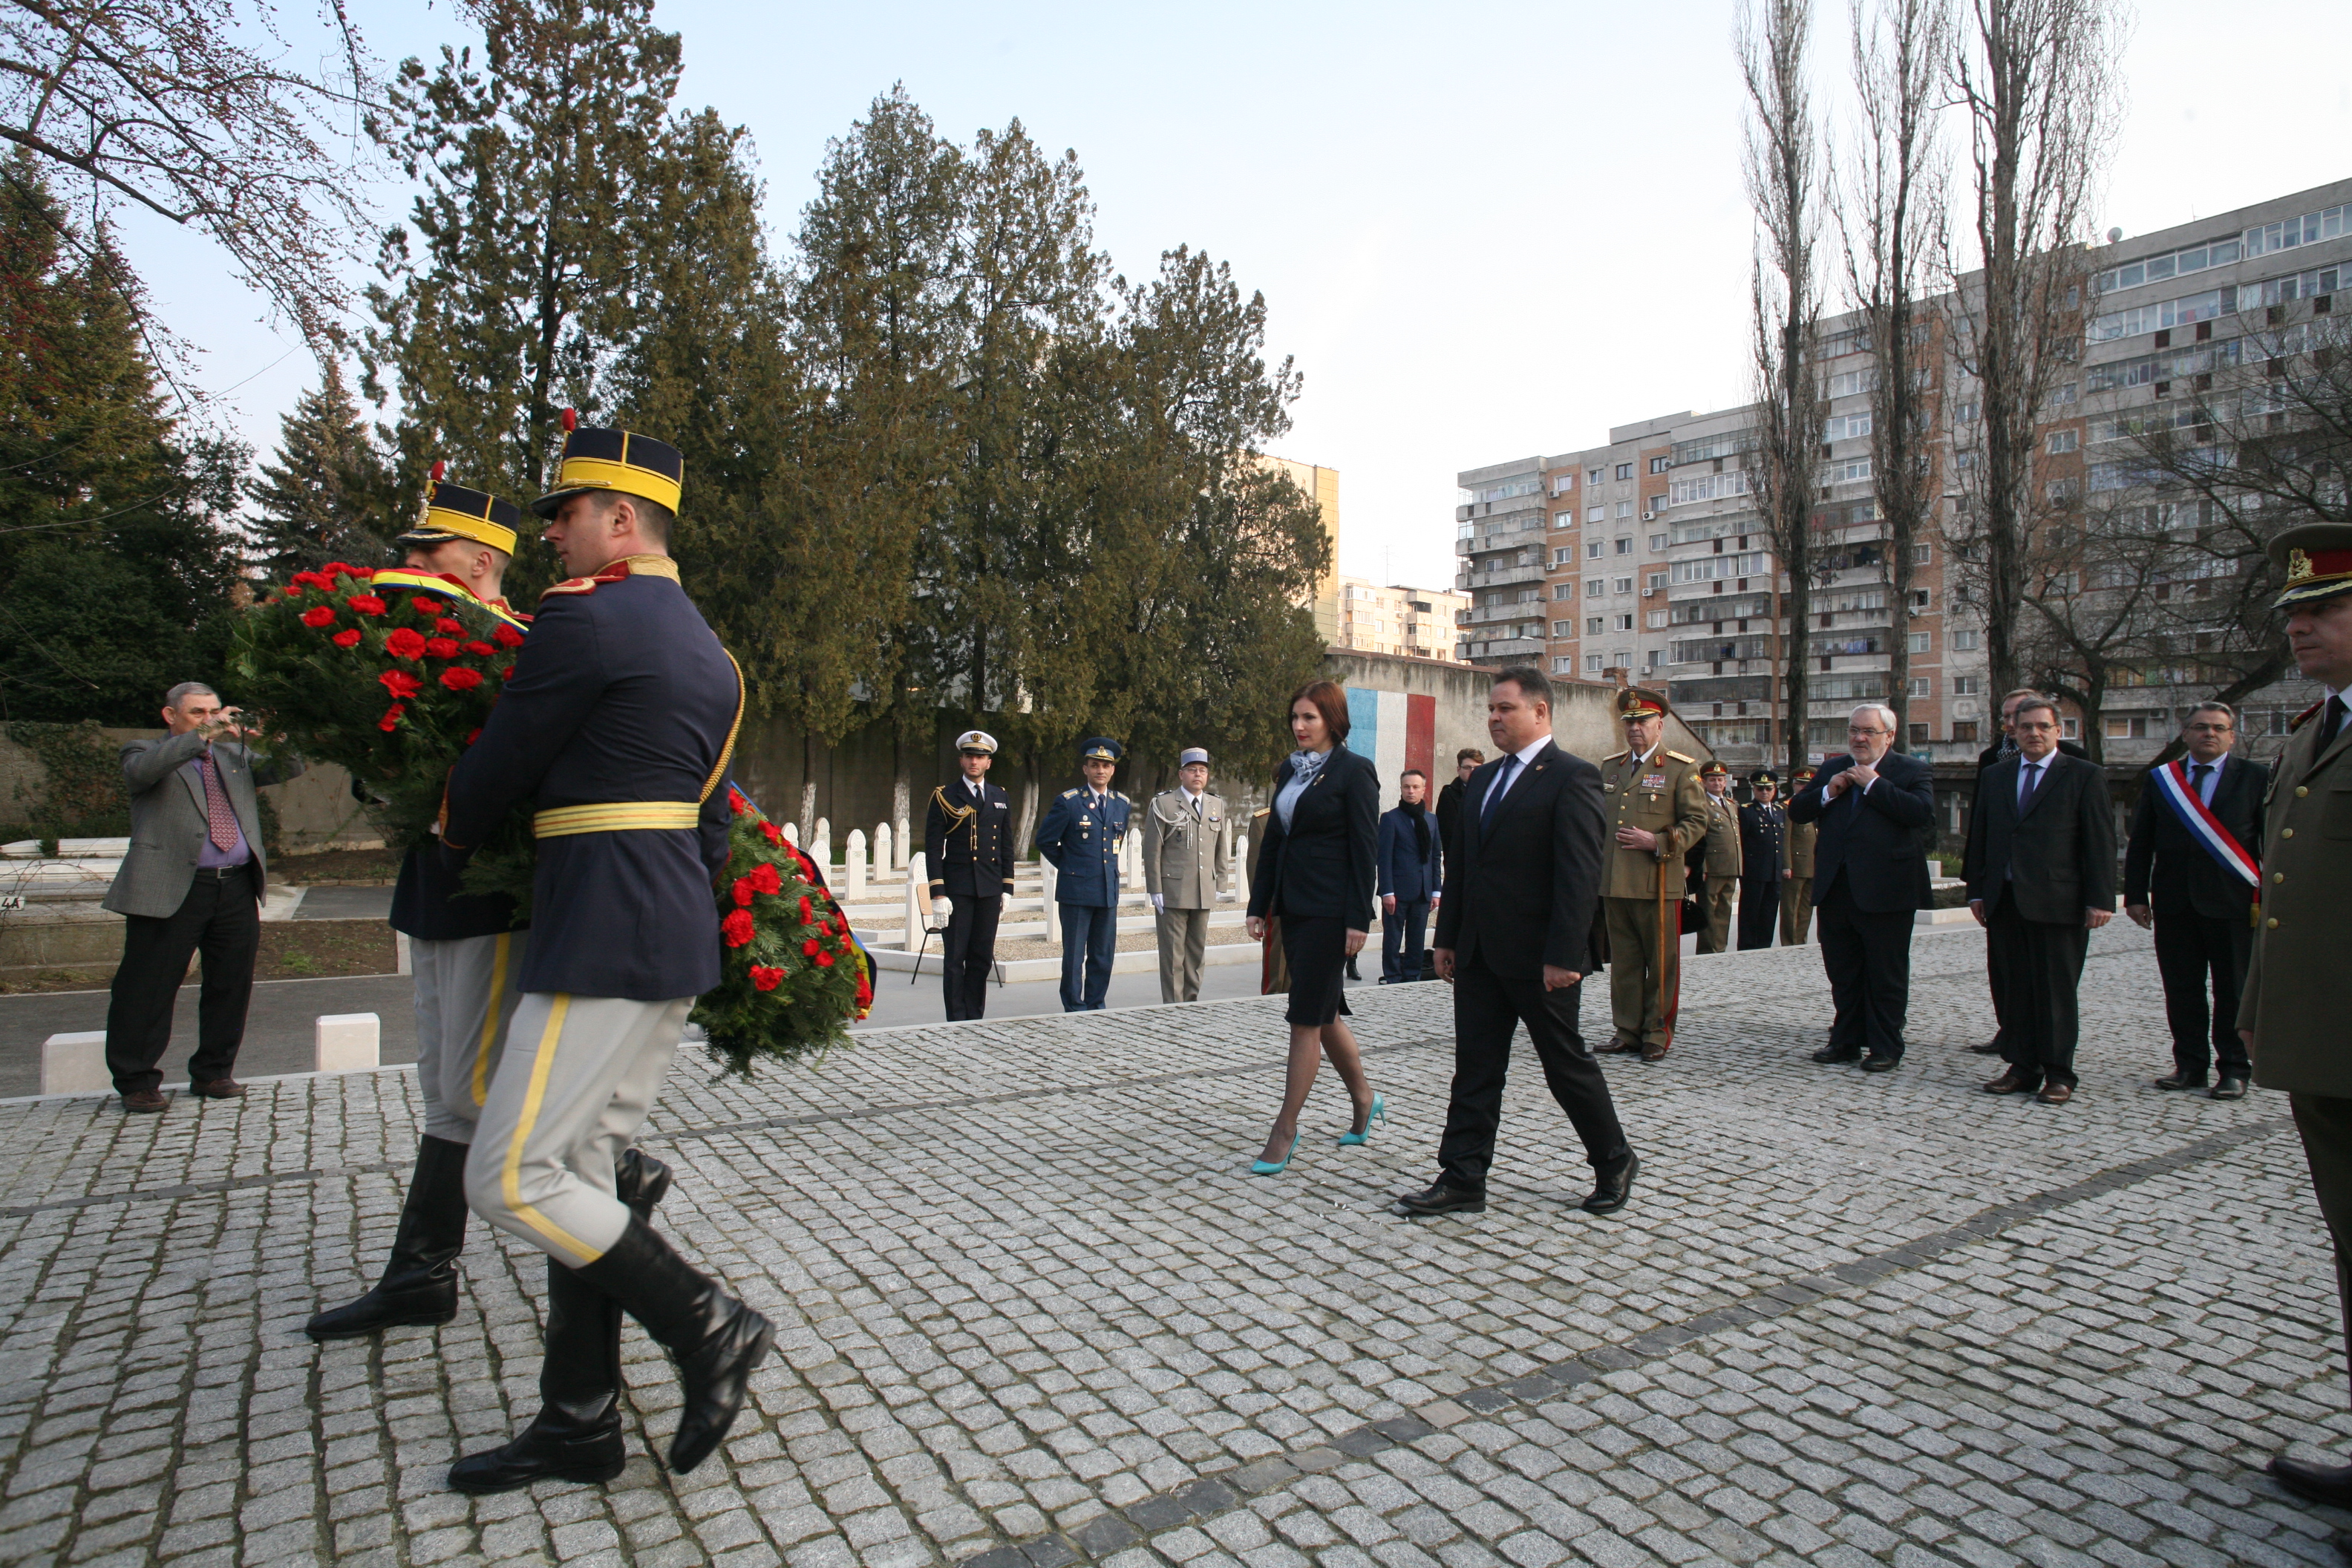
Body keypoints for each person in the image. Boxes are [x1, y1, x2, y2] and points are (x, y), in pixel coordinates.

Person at [441, 421, 771, 1491]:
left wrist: (448, 831)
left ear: (620, 522)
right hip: (667, 930)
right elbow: (715, 826)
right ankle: (577, 1419)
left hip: (597, 928)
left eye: (567, 514)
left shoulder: (581, 620)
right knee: (584, 1175)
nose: (552, 537)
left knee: (508, 1172)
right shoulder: (714, 658)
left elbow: (502, 761)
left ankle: (707, 1324)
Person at [308, 473, 542, 1342]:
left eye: (425, 553)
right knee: (444, 1090)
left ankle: (617, 1183)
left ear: (480, 561)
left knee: (475, 1087)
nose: (405, 564)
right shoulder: (417, 647)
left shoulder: (518, 647)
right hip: (435, 888)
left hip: (489, 894)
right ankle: (421, 1274)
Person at [1396, 667, 1635, 1219]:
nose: (1494, 717)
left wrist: (1565, 956)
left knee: (1563, 1064)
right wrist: (1447, 938)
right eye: (1491, 709)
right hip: (1479, 953)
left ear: (1540, 712)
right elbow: (1464, 867)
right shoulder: (1481, 780)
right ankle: (1462, 1177)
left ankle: (1614, 1159)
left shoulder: (1571, 777)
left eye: (1505, 708)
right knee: (1476, 1067)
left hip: (1539, 958)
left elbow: (1578, 875)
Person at [2245, 524, 2352, 1545]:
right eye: (2293, 613)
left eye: (2323, 608)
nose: (2300, 626)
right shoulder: (2318, 729)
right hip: (2329, 1050)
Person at [101, 683, 304, 1112]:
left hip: (234, 885)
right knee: (148, 986)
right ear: (170, 716)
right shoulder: (143, 751)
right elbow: (141, 774)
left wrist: (277, 734)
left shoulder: (235, 758)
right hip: (171, 886)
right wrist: (204, 735)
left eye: (215, 711)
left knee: (230, 983)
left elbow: (288, 767)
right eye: (197, 712)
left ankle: (214, 1072)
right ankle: (137, 1080)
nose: (210, 718)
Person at [1244, 680, 1382, 1175]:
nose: (1299, 727)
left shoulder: (1355, 772)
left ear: (1332, 720)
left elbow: (1366, 851)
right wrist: (1259, 906)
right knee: (1322, 1015)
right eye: (1295, 718)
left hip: (1330, 913)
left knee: (1305, 1016)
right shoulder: (1290, 771)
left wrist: (1357, 919)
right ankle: (1365, 1099)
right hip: (1294, 911)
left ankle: (1285, 1128)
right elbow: (1274, 844)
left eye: (1309, 718)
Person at [1966, 697, 2116, 1103]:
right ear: (2012, 731)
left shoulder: (2083, 774)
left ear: (2058, 731)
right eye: (2025, 726)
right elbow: (1981, 834)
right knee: (2014, 987)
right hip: (2006, 899)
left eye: (2042, 727)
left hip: (2058, 900)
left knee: (2055, 990)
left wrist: (2100, 898)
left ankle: (2059, 1072)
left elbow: (2100, 841)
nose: (2033, 733)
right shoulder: (1998, 775)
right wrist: (1977, 889)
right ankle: (2021, 1066)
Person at [2123, 702, 2264, 1100]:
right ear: (2184, 734)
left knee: (2233, 990)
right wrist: (2135, 895)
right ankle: (2190, 1065)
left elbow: (2269, 841)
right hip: (2175, 902)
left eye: (2219, 728)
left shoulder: (2256, 778)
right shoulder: (2163, 779)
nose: (2209, 734)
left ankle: (2235, 1068)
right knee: (2182, 989)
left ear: (2232, 736)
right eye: (2200, 727)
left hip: (2234, 904)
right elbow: (2142, 842)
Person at [1788, 704, 1936, 1073]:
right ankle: (1845, 1040)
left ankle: (1886, 1045)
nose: (1859, 738)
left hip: (1888, 891)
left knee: (1885, 973)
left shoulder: (1911, 770)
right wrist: (1828, 793)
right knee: (1843, 970)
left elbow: (1921, 814)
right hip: (1837, 888)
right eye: (1854, 730)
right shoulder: (1834, 768)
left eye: (1868, 731)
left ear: (1889, 736)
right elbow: (1799, 810)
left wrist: (1873, 783)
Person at [1593, 690, 1708, 1062]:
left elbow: (1697, 822)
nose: (1635, 728)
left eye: (1642, 721)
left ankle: (1657, 1032)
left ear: (1660, 724)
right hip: (1615, 882)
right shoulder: (1611, 767)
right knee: (1624, 963)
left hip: (1657, 881)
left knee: (1660, 963)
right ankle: (1626, 1030)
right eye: (1629, 722)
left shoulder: (1679, 768)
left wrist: (1658, 841)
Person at [926, 731, 1016, 1021]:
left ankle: (975, 1015)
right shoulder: (945, 796)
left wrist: (1007, 887)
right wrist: (938, 893)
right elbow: (933, 847)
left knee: (980, 957)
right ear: (961, 760)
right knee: (955, 958)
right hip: (958, 889)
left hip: (989, 889)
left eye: (980, 757)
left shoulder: (1000, 796)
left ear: (989, 762)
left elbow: (1006, 844)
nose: (974, 762)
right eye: (969, 756)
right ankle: (956, 1017)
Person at [1035, 739, 1131, 1012]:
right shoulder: (1069, 802)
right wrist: (1070, 865)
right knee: (1075, 955)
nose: (1101, 770)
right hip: (1076, 890)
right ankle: (1075, 1006)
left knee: (1102, 955)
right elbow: (1045, 840)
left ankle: (1096, 1002)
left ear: (1112, 770)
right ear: (1085, 769)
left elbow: (1116, 842)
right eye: (1095, 765)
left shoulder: (1121, 804)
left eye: (1106, 766)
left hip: (1106, 890)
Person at [1143, 747, 1232, 1004]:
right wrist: (1155, 888)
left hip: (1204, 888)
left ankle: (1191, 1000)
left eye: (1202, 770)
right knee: (1173, 953)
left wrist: (1221, 880)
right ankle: (1173, 1003)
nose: (1198, 775)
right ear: (1181, 774)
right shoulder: (1164, 803)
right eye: (1192, 770)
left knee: (1196, 951)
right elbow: (1152, 849)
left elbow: (1221, 846)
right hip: (1173, 890)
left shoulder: (1216, 804)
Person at [1376, 769, 1443, 984]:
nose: (1411, 791)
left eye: (1415, 787)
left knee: (1417, 938)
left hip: (1423, 891)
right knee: (1393, 938)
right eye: (1407, 787)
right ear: (1401, 789)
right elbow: (1384, 858)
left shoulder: (1431, 820)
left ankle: (1413, 975)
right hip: (1397, 891)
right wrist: (1387, 891)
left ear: (1424, 790)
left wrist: (1436, 890)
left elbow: (1434, 857)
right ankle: (1393, 976)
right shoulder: (1390, 819)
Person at [1691, 760, 1742, 954]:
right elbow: (1699, 838)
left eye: (1721, 780)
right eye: (1713, 780)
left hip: (1730, 865)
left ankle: (1720, 947)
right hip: (1712, 867)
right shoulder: (1702, 804)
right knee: (1709, 910)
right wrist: (1702, 867)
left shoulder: (1730, 804)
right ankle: (1707, 949)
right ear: (1704, 782)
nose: (1717, 783)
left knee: (1724, 909)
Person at [1737, 771, 1788, 951]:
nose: (1764, 792)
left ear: (1774, 790)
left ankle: (1765, 945)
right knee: (1751, 911)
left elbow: (1782, 841)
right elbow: (1742, 840)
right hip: (1754, 870)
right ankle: (1748, 946)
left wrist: (1784, 866)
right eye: (1760, 789)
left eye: (1768, 789)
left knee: (1769, 910)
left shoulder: (1780, 811)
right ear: (1754, 790)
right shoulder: (1746, 811)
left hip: (1774, 870)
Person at [1781, 767, 1817, 946]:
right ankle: (1790, 942)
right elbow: (1785, 839)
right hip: (1796, 865)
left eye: (1808, 785)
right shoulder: (1789, 807)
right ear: (1794, 786)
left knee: (1806, 907)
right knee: (1791, 907)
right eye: (1800, 785)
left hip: (1813, 865)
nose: (1803, 789)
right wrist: (1787, 865)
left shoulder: (1817, 806)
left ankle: (1801, 940)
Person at [1434, 748, 1483, 868]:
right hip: (1460, 861)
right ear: (1458, 769)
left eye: (1476, 768)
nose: (1472, 771)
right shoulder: (1449, 795)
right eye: (1467, 768)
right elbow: (1449, 833)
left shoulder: (1489, 792)